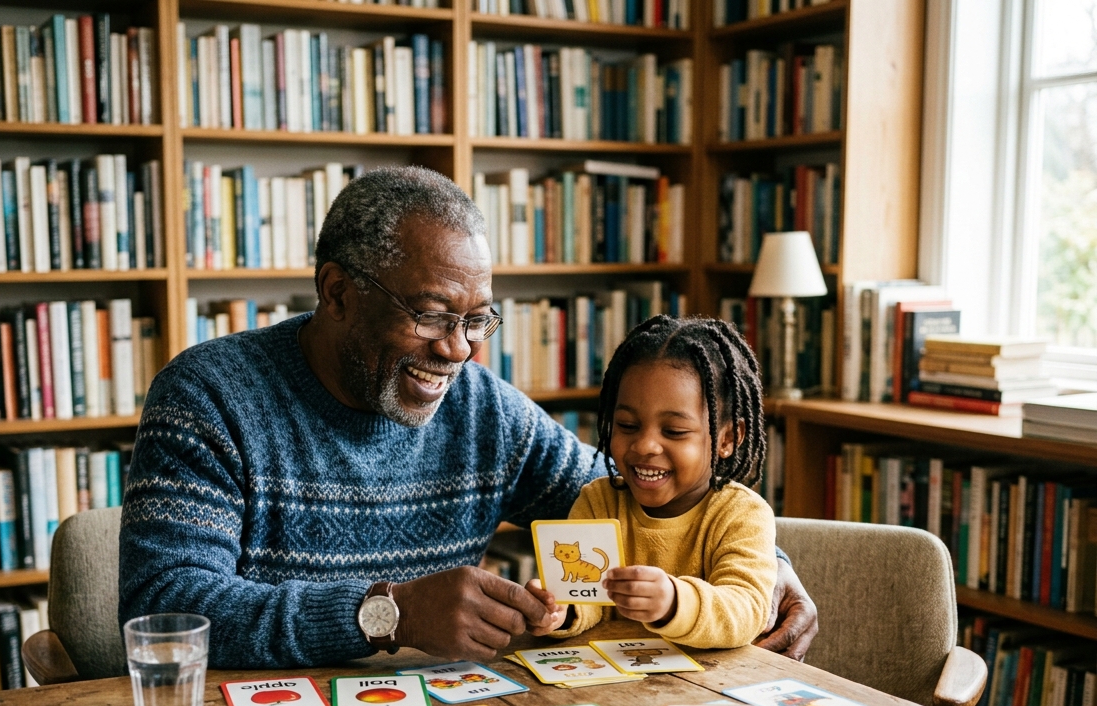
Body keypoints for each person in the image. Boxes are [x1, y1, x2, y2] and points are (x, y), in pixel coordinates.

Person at [118, 166, 817, 669]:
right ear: (337, 293)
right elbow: (166, 609)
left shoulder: (485, 412)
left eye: (477, 318)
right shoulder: (208, 397)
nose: (458, 349)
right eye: (429, 314)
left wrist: (767, 564)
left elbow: (636, 492)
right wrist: (388, 612)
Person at [534, 315, 776, 648]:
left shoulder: (742, 515)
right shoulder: (598, 502)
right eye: (627, 426)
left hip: (709, 688)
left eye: (674, 432)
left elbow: (746, 609)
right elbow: (587, 596)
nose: (645, 446)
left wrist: (674, 602)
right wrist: (562, 609)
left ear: (727, 438)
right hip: (619, 687)